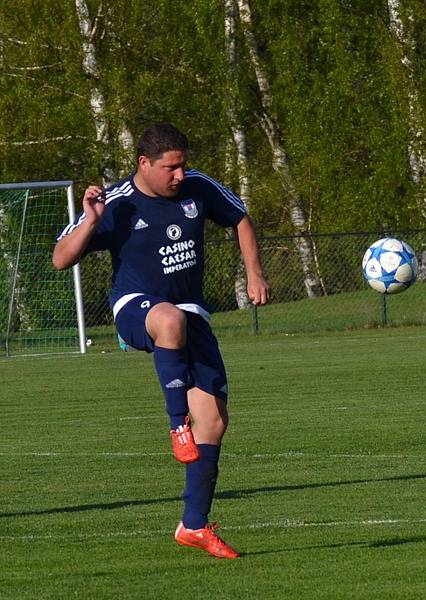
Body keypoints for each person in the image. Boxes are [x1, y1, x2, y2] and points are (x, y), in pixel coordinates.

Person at [53, 122, 270, 558]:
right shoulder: (116, 202)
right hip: (136, 308)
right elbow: (61, 258)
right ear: (144, 164)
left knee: (213, 421)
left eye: (183, 166)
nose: (179, 175)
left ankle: (194, 525)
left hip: (192, 314)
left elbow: (240, 216)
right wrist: (92, 221)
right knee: (168, 319)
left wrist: (254, 271)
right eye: (170, 167)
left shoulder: (198, 187)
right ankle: (176, 427)